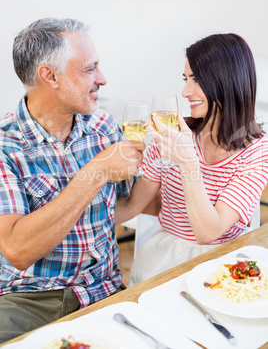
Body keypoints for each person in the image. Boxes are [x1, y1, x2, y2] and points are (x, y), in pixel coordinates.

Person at [0, 18, 145, 343]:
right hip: (28, 298)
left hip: (104, 289)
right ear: (49, 76)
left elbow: (126, 206)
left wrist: (179, 159)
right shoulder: (5, 146)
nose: (102, 79)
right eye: (89, 69)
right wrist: (96, 172)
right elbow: (17, 250)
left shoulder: (103, 127)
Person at [115, 33, 268, 286]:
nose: (185, 92)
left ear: (227, 80)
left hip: (221, 264)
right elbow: (132, 207)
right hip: (164, 259)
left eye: (196, 80)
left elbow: (208, 233)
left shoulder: (257, 151)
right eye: (186, 79)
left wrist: (187, 163)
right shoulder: (172, 134)